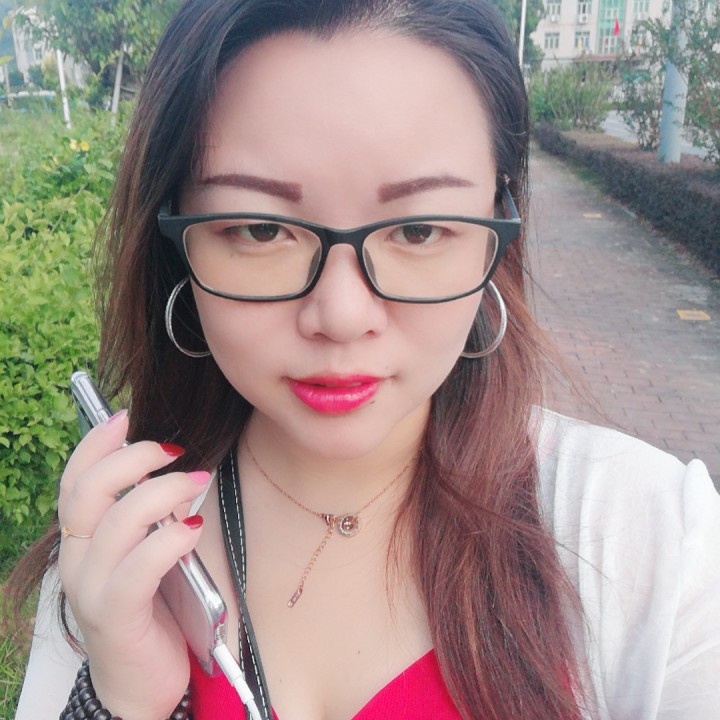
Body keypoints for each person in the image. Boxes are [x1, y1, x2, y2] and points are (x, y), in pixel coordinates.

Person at [10, 0, 720, 718]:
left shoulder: (655, 541)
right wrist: (119, 701)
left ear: (497, 227)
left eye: (418, 230)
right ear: (179, 246)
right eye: (260, 230)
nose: (342, 316)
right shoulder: (120, 553)